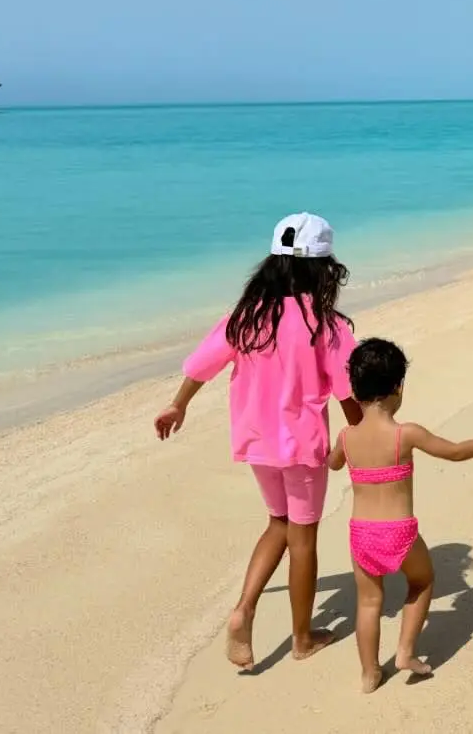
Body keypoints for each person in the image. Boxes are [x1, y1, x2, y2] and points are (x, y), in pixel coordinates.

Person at [154, 212, 363, 669]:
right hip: (303, 445)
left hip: (256, 442)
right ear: (322, 268)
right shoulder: (325, 325)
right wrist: (357, 439)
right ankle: (303, 638)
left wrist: (178, 404)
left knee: (277, 523)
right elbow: (349, 393)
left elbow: (201, 366)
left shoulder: (247, 316)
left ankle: (244, 609)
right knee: (303, 536)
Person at [328, 338, 473, 692]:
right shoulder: (405, 434)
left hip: (361, 533)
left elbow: (333, 463)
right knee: (422, 581)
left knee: (369, 601)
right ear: (398, 387)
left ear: (354, 390)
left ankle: (369, 673)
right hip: (399, 531)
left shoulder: (347, 436)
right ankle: (405, 653)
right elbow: (455, 452)